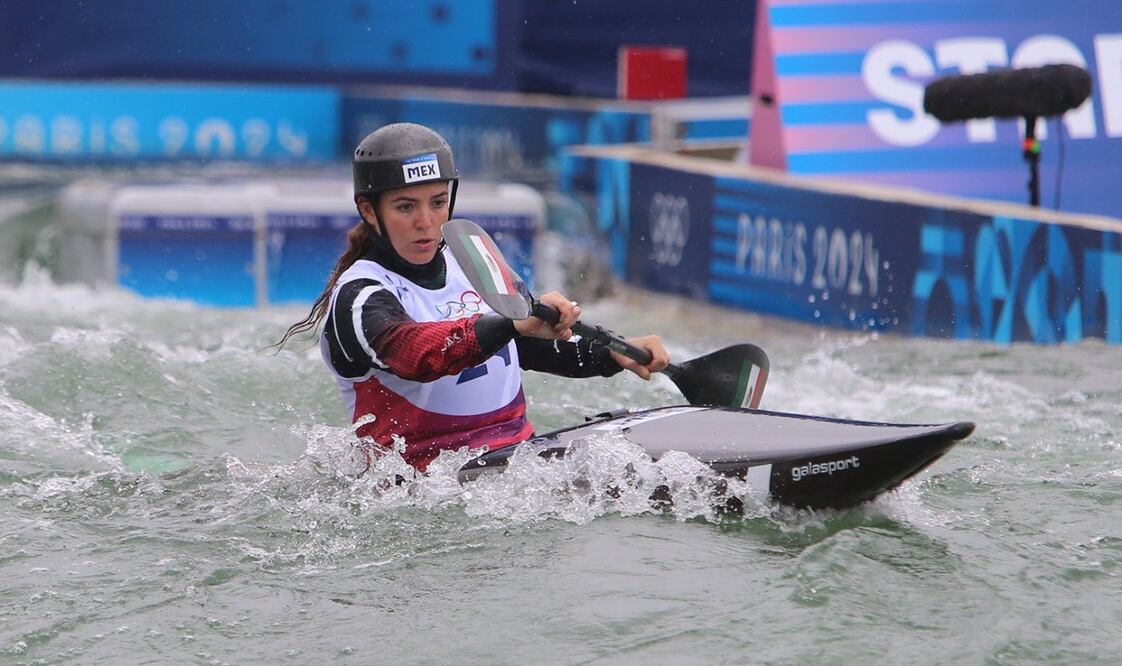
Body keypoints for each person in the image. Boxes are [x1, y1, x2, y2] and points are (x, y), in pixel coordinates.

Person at [277, 122, 669, 471]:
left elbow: (524, 347)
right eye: (404, 207)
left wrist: (612, 353)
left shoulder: (473, 262)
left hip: (515, 462)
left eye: (437, 202)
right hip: (417, 488)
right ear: (369, 210)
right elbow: (415, 356)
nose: (426, 222)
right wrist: (511, 322)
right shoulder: (359, 296)